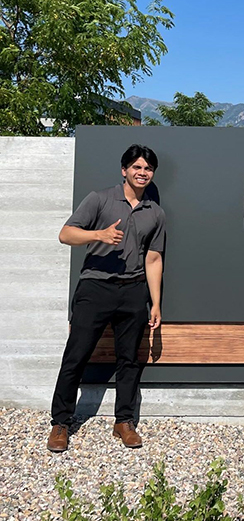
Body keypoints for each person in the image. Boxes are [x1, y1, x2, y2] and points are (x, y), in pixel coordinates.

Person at [47, 144, 165, 452]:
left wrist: (156, 303)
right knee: (76, 355)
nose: (143, 173)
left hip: (133, 291)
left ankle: (124, 422)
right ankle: (61, 423)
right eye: (137, 167)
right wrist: (98, 235)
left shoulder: (156, 212)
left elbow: (153, 259)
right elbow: (65, 234)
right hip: (95, 288)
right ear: (124, 170)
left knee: (129, 360)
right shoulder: (99, 199)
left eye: (148, 169)